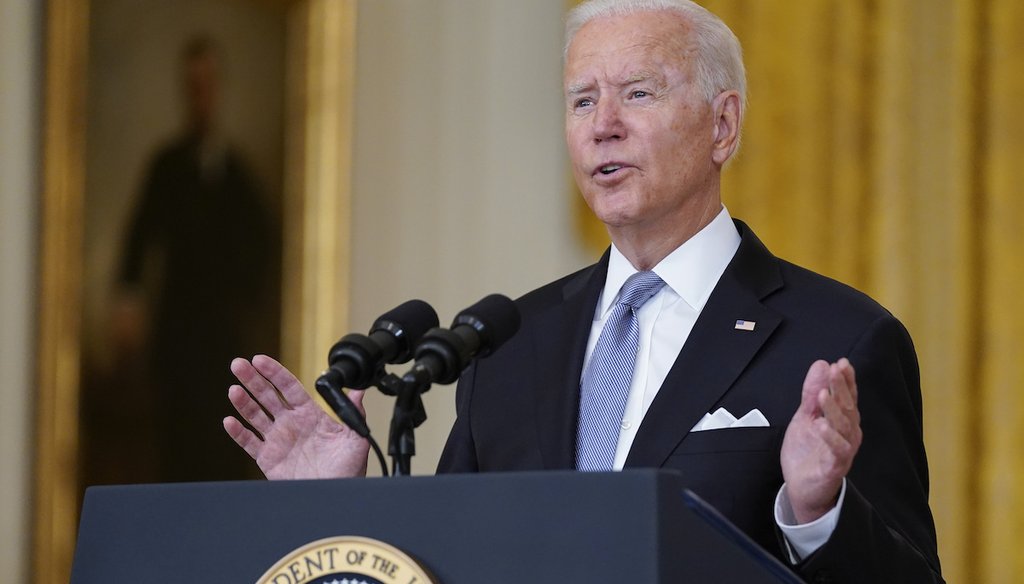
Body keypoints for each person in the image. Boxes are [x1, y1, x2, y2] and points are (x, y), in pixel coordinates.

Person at [224, 1, 943, 581]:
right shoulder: (502, 345)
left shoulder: (838, 340)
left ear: (723, 126)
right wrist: (335, 511)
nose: (603, 127)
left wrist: (818, 513)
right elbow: (448, 564)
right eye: (581, 101)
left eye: (637, 94)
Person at [116, 36, 280, 482]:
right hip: (176, 335)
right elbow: (138, 236)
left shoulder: (239, 175)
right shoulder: (166, 166)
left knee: (222, 443)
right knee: (177, 441)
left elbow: (262, 248)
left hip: (221, 336)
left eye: (208, 84)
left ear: (219, 89)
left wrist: (243, 299)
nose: (201, 95)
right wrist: (128, 300)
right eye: (193, 86)